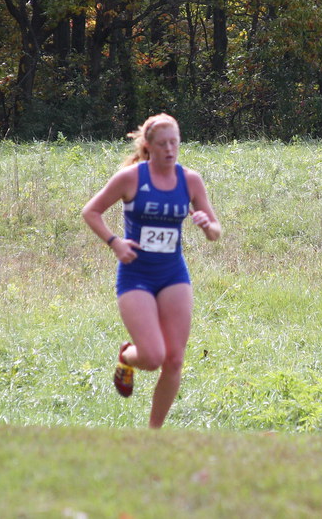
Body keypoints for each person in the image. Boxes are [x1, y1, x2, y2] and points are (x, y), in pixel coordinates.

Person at [81, 113, 221, 429]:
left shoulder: (191, 181)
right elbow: (91, 211)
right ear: (148, 146)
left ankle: (153, 434)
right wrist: (115, 242)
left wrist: (206, 224)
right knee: (152, 357)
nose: (170, 150)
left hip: (173, 274)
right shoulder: (131, 178)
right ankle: (127, 357)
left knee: (174, 360)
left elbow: (216, 231)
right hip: (136, 274)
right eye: (162, 144)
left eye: (175, 142)